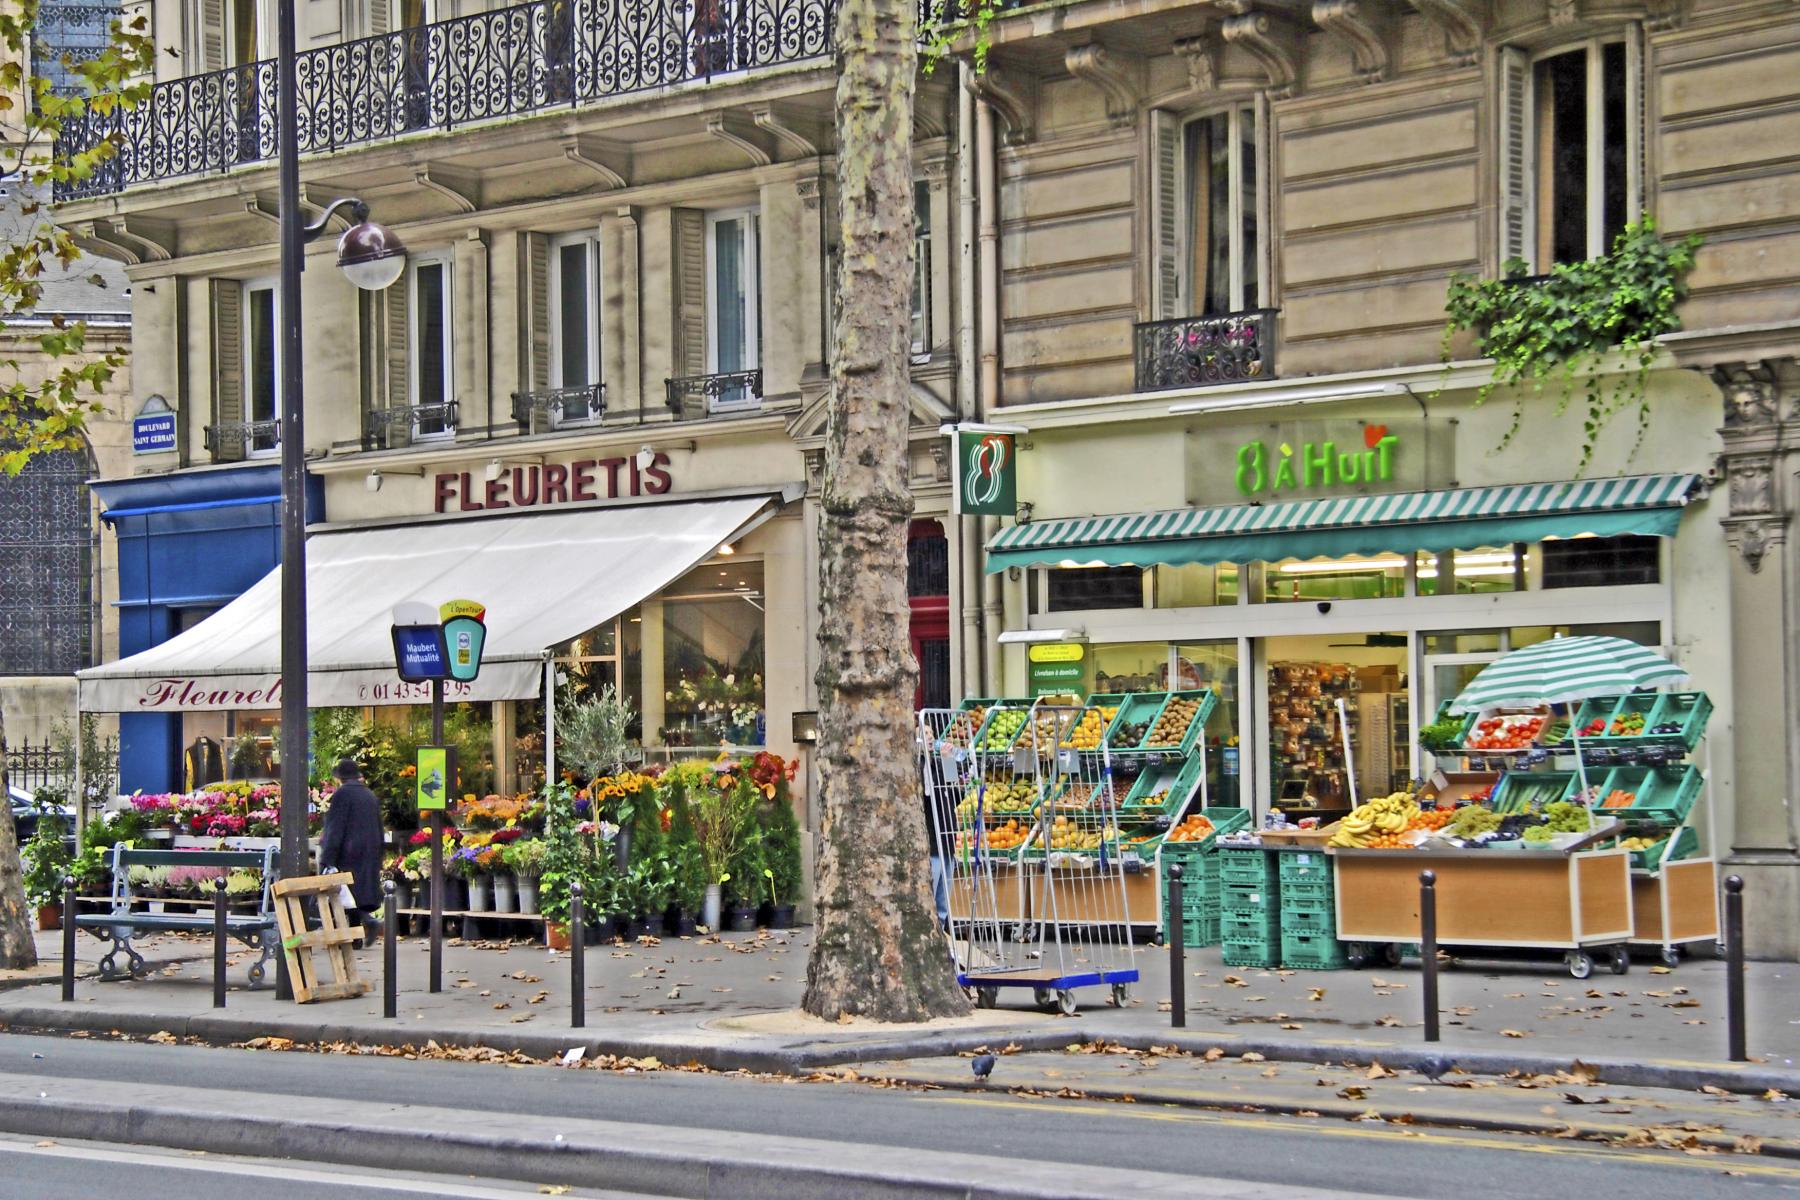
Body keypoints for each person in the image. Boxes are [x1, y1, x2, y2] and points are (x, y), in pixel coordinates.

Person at [319, 758, 384, 941]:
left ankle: (367, 922)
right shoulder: (369, 795)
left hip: (348, 852)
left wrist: (328, 857)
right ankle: (357, 935)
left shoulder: (342, 795)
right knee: (356, 893)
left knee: (345, 892)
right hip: (369, 850)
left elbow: (335, 829)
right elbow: (379, 826)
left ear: (340, 777)